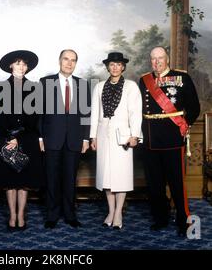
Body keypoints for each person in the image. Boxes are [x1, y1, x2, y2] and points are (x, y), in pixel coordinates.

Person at [139, 46, 200, 237]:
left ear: (167, 59)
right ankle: (160, 218)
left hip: (173, 138)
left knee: (176, 184)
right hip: (150, 139)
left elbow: (194, 107)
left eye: (160, 58)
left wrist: (185, 124)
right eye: (153, 59)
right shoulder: (144, 80)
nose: (157, 62)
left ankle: (183, 221)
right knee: (154, 184)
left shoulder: (182, 78)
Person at [0, 50, 44, 231]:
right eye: (18, 63)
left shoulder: (35, 87)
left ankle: (21, 215)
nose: (21, 66)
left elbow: (35, 116)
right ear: (11, 66)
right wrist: (11, 136)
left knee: (24, 180)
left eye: (24, 64)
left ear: (27, 67)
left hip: (27, 138)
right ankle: (12, 215)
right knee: (10, 180)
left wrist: (18, 137)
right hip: (6, 137)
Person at [90, 52, 142, 229]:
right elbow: (95, 114)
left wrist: (134, 135)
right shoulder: (99, 87)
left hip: (123, 137)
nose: (115, 67)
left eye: (118, 64)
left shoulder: (131, 86)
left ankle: (119, 212)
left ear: (123, 67)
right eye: (112, 64)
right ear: (108, 67)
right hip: (104, 134)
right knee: (106, 176)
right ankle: (110, 211)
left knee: (121, 176)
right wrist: (93, 136)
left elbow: (135, 113)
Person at [39, 49, 90, 229]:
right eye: (66, 59)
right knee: (52, 178)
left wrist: (85, 139)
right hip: (52, 138)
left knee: (70, 178)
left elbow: (86, 114)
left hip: (74, 140)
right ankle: (52, 215)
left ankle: (70, 215)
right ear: (59, 61)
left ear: (76, 63)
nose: (69, 63)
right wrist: (40, 138)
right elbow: (40, 112)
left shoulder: (83, 85)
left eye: (73, 60)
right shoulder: (46, 82)